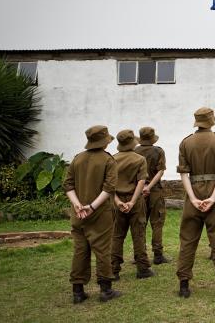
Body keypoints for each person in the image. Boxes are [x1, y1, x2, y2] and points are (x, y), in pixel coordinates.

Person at [175, 107, 215, 298]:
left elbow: (184, 173)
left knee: (187, 241)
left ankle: (184, 286)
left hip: (192, 192)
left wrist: (193, 198)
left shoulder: (185, 143)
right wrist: (213, 197)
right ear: (211, 121)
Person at [63, 125, 121, 303]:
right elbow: (109, 188)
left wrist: (77, 204)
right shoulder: (108, 160)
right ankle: (106, 290)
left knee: (80, 250)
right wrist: (92, 207)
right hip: (99, 213)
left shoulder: (77, 159)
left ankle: (78, 292)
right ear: (105, 142)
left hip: (78, 214)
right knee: (102, 250)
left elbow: (68, 185)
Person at [111, 130, 155, 281]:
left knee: (117, 235)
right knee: (139, 234)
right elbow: (141, 182)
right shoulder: (140, 159)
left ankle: (113, 269)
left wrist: (118, 202)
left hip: (116, 201)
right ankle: (142, 268)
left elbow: (108, 185)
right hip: (135, 201)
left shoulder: (112, 159)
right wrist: (132, 201)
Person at [134, 126, 169, 265]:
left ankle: (139, 255)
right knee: (157, 223)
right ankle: (158, 255)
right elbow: (160, 171)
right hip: (154, 191)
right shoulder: (158, 151)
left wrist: (142, 187)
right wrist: (149, 187)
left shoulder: (134, 151)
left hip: (137, 191)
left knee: (140, 224)